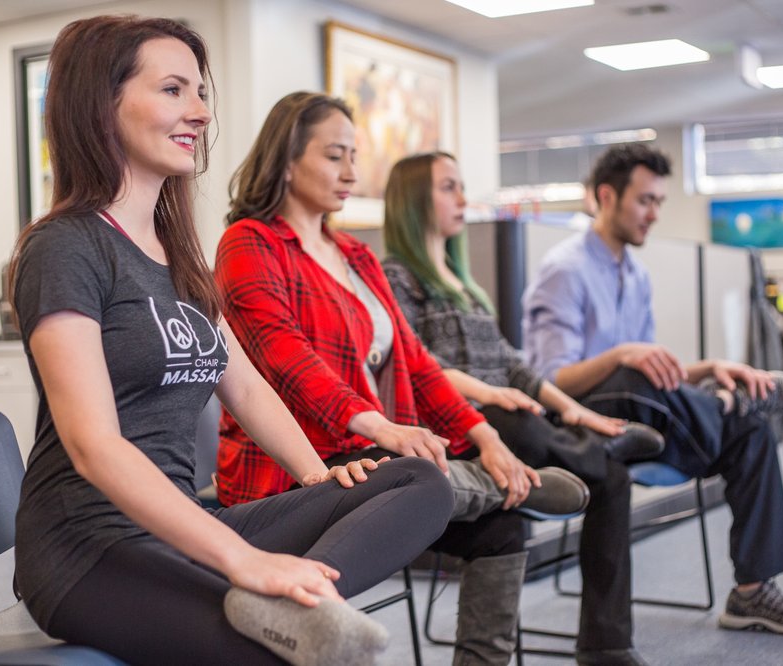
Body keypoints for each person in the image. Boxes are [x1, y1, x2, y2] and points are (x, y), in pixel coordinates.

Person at [7, 17, 457, 666]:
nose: (199, 111)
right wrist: (246, 561)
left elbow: (244, 386)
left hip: (184, 524)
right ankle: (285, 611)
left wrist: (319, 480)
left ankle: (291, 606)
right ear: (101, 104)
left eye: (201, 92)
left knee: (417, 480)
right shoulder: (65, 247)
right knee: (277, 655)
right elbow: (93, 447)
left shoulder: (177, 255)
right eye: (173, 90)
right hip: (87, 547)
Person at [214, 91, 589, 666]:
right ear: (287, 161)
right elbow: (286, 358)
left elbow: (415, 358)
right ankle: (523, 483)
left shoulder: (359, 256)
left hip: (365, 454)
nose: (351, 174)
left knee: (502, 528)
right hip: (296, 467)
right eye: (334, 156)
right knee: (422, 477)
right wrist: (384, 428)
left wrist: (485, 436)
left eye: (355, 157)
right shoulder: (250, 244)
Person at [522, 142, 783, 661]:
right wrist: (625, 353)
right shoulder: (565, 269)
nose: (655, 214)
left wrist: (707, 368)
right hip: (575, 423)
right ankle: (723, 409)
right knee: (632, 374)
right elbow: (551, 380)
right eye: (645, 201)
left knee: (750, 431)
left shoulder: (634, 274)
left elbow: (655, 369)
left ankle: (752, 592)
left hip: (642, 415)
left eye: (659, 202)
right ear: (606, 196)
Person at [380, 151, 669, 665]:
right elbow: (413, 368)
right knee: (514, 418)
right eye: (449, 187)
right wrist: (487, 395)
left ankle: (606, 644)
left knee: (612, 478)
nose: (464, 199)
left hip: (507, 416)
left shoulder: (463, 284)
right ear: (412, 200)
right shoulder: (395, 278)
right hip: (456, 422)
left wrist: (572, 410)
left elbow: (516, 366)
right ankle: (597, 450)